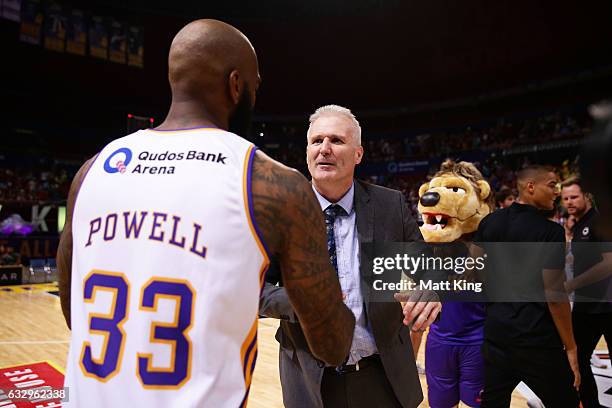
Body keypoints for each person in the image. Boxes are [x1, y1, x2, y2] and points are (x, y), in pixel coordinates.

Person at [57, 20, 355, 407]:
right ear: (236, 85)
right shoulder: (269, 183)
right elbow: (332, 345)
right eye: (254, 85)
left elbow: (72, 312)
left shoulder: (93, 170)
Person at [259, 104, 442, 408]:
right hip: (310, 378)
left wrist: (431, 288)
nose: (325, 149)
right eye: (317, 141)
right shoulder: (279, 213)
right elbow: (255, 290)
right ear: (307, 151)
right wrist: (302, 300)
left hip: (381, 375)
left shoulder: (389, 205)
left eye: (336, 141)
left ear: (358, 154)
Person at [473, 165, 580, 407]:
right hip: (536, 340)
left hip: (496, 336)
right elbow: (554, 296)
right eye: (552, 185)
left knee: (493, 402)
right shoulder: (550, 231)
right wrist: (571, 347)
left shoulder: (490, 223)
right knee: (566, 401)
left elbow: (473, 272)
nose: (557, 192)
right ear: (530, 187)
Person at [561, 176, 612, 408]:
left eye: (574, 197)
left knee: (578, 359)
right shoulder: (579, 224)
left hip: (606, 306)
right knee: (577, 360)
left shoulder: (599, 222)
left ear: (586, 197)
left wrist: (573, 283)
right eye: (565, 198)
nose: (569, 202)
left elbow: (608, 263)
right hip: (587, 306)